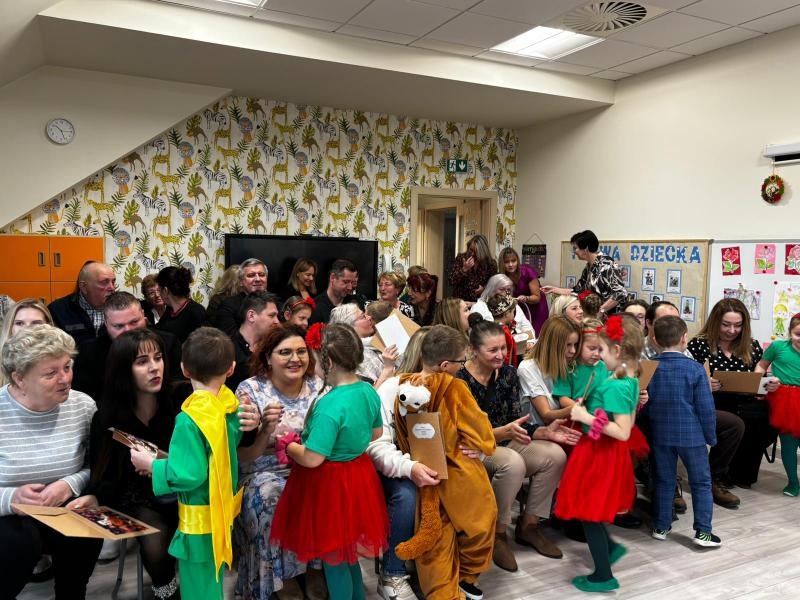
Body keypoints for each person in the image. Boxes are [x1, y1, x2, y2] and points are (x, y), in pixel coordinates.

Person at [130, 327, 261, 600]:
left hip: (199, 520)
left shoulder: (189, 419)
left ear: (184, 369)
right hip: (221, 512)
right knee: (212, 581)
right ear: (231, 368)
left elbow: (189, 474)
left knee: (198, 589)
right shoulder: (228, 405)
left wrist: (152, 464)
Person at [269, 324, 389, 599]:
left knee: (334, 559)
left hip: (329, 486)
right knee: (348, 554)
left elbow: (312, 458)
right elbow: (376, 433)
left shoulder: (329, 406)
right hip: (359, 477)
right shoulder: (368, 390)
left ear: (329, 362)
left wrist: (289, 445)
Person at [456, 319, 577, 572]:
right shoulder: (459, 380)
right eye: (493, 350)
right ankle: (498, 533)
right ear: (474, 350)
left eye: (503, 348)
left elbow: (515, 419)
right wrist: (503, 432)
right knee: (513, 464)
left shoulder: (508, 374)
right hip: (474, 448)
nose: (501, 355)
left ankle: (529, 525)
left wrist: (543, 432)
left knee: (555, 455)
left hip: (506, 439)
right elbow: (461, 433)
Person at [75, 329, 186, 599]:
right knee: (155, 539)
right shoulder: (107, 416)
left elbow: (198, 459)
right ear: (124, 370)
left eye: (158, 358)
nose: (154, 368)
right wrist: (94, 495)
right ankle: (167, 593)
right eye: (142, 362)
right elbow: (103, 471)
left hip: (182, 487)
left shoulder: (181, 400)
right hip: (136, 495)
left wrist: (160, 461)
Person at [391, 325, 496, 600]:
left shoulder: (403, 387)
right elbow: (481, 431)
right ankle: (466, 577)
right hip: (458, 472)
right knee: (481, 524)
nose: (464, 366)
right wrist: (485, 445)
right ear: (445, 365)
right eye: (462, 361)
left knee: (435, 540)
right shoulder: (454, 387)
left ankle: (442, 593)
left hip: (422, 473)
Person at [0, 325, 102, 599]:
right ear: (19, 379)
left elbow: (97, 467)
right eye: (50, 373)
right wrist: (11, 498)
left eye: (67, 367)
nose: (65, 379)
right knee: (16, 543)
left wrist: (69, 484)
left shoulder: (83, 406)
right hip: (8, 516)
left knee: (86, 524)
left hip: (64, 505)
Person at [233, 325, 326, 600]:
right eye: (285, 352)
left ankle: (314, 568)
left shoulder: (319, 387)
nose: (295, 359)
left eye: (301, 351)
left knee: (325, 491)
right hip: (261, 470)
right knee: (271, 495)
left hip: (308, 465)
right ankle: (280, 578)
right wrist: (264, 430)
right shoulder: (250, 390)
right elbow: (241, 455)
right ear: (268, 358)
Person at [554, 316, 643, 593]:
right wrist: (590, 407)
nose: (600, 356)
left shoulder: (617, 385)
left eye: (602, 350)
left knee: (589, 513)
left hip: (599, 454)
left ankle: (603, 576)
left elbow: (623, 432)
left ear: (617, 350)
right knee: (588, 509)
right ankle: (611, 548)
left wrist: (584, 416)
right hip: (601, 452)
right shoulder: (629, 379)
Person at [641, 300, 743, 512]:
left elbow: (695, 380)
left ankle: (713, 477)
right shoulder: (638, 350)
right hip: (653, 412)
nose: (671, 327)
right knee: (653, 427)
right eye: (664, 321)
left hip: (688, 409)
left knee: (733, 424)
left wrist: (707, 383)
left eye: (676, 321)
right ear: (649, 324)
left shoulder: (684, 351)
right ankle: (666, 485)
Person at [368, 327, 432, 600]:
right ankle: (392, 574)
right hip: (393, 467)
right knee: (406, 495)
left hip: (431, 464)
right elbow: (377, 447)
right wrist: (410, 468)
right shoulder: (391, 388)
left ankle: (446, 567)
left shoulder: (450, 387)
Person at [645, 316, 720, 547]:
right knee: (701, 482)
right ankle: (703, 532)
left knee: (664, 480)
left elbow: (644, 406)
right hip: (692, 436)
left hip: (659, 435)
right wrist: (711, 437)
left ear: (654, 339)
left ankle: (661, 526)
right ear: (684, 339)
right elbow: (706, 408)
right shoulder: (696, 369)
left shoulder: (649, 368)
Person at [688, 298, 772, 494]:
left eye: (738, 325)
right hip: (712, 400)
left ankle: (740, 472)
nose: (732, 330)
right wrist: (704, 383)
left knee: (766, 419)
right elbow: (687, 377)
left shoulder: (751, 345)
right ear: (715, 322)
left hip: (745, 399)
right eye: (726, 324)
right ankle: (716, 473)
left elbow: (759, 377)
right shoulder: (699, 344)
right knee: (734, 419)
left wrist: (768, 383)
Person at [72, 292, 182, 407]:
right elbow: (84, 399)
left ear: (143, 315)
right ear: (106, 324)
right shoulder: (89, 352)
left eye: (134, 322)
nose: (128, 331)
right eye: (119, 326)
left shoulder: (168, 343)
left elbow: (177, 389)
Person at [756, 312, 800, 496]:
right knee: (789, 445)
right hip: (786, 402)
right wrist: (760, 385)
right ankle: (793, 482)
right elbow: (761, 365)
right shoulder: (778, 347)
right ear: (790, 332)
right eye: (798, 334)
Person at [542, 230, 628, 315]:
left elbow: (620, 293)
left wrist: (601, 311)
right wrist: (553, 289)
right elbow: (577, 291)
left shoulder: (606, 264)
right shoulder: (589, 267)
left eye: (575, 248)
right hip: (597, 317)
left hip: (612, 317)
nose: (574, 251)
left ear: (585, 249)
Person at [519, 316, 581, 425]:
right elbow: (546, 416)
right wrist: (576, 408)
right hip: (537, 431)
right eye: (568, 345)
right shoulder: (527, 368)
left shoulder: (571, 363)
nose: (573, 351)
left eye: (575, 344)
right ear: (552, 345)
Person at [329, 303, 398, 388]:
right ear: (349, 327)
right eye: (363, 316)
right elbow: (369, 393)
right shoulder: (353, 356)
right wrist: (388, 368)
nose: (369, 317)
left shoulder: (375, 343)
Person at [49, 260, 117, 345]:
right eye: (104, 282)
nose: (112, 288)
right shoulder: (57, 310)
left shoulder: (122, 308)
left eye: (113, 282)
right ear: (84, 287)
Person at [228, 292, 281, 393]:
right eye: (271, 316)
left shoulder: (276, 346)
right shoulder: (227, 350)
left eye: (277, 316)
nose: (277, 321)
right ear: (251, 316)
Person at [0, 299, 53, 384]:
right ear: (10, 327)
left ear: (48, 326)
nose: (27, 329)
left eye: (36, 323)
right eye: (19, 323)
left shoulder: (60, 361)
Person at [470, 274, 535, 344]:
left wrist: (530, 342)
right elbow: (475, 337)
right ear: (492, 289)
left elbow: (527, 327)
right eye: (501, 289)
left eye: (508, 290)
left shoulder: (511, 303)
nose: (505, 293)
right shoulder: (478, 308)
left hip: (522, 345)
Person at [211, 259, 269, 336]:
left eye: (261, 275)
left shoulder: (275, 303)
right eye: (251, 275)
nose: (258, 279)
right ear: (241, 281)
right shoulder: (229, 306)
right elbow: (230, 339)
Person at [499, 247, 548, 335]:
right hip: (519, 308)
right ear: (502, 263)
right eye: (506, 262)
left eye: (513, 261)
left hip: (537, 307)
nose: (510, 264)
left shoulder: (527, 271)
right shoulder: (502, 277)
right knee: (520, 333)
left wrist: (526, 298)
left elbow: (537, 297)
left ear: (517, 260)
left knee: (535, 335)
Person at [155, 266, 207, 343]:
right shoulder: (170, 309)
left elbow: (204, 344)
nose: (158, 294)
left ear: (166, 290)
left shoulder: (196, 312)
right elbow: (160, 330)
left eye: (159, 291)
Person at [448, 234, 497, 303]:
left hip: (479, 303)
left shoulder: (490, 264)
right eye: (471, 250)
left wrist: (484, 289)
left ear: (483, 251)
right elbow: (451, 281)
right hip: (460, 301)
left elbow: (493, 284)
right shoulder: (461, 258)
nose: (472, 254)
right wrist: (464, 269)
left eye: (476, 252)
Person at [309, 259, 358, 325]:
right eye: (345, 282)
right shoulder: (316, 307)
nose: (350, 287)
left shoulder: (355, 302)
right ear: (332, 278)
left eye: (352, 282)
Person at [484, 295, 519, 367]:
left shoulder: (491, 327)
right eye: (513, 312)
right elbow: (508, 354)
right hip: (505, 367)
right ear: (506, 314)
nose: (513, 314)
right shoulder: (504, 331)